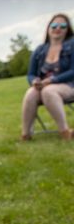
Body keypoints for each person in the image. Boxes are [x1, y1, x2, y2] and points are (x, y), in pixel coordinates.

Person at [22, 13, 74, 141]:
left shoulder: (72, 45)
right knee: (31, 93)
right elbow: (31, 73)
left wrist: (51, 80)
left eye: (62, 25)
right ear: (48, 27)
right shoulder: (39, 50)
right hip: (43, 86)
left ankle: (64, 132)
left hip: (69, 85)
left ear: (67, 29)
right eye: (54, 25)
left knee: (48, 91)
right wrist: (34, 81)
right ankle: (25, 135)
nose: (58, 28)